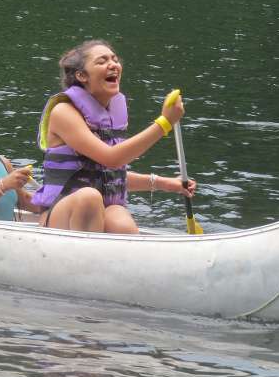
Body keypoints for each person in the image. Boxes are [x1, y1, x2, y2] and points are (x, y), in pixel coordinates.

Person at [32, 39, 196, 234]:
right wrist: (164, 123)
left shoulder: (111, 112)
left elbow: (109, 176)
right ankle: (83, 261)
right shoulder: (64, 112)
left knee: (120, 220)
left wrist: (166, 183)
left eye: (115, 59)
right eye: (102, 61)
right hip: (58, 215)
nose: (113, 64)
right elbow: (111, 159)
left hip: (96, 209)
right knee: (89, 198)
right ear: (82, 75)